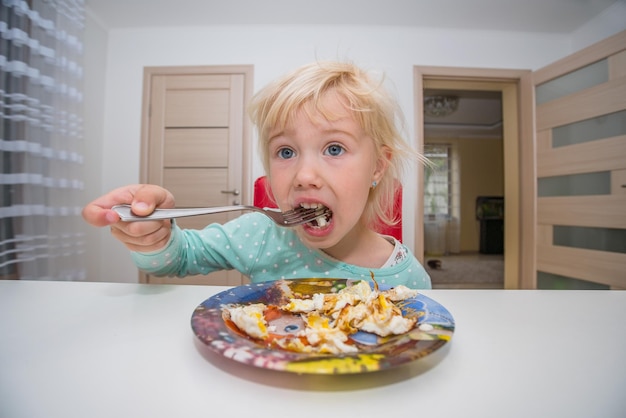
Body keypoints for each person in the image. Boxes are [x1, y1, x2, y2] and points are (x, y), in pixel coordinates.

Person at [82, 61, 431, 289]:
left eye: (334, 149)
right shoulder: (261, 235)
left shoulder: (408, 279)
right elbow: (179, 258)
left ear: (378, 166)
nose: (304, 175)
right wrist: (156, 238)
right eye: (286, 152)